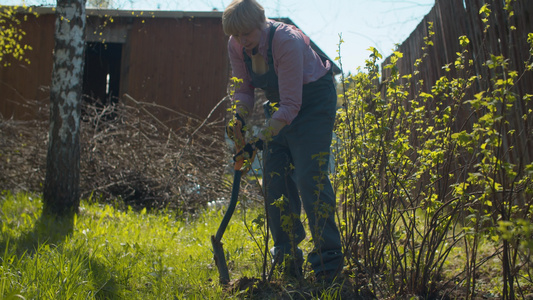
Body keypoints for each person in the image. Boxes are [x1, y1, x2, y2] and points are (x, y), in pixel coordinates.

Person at [222, 0, 343, 283]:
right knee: (275, 178)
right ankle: (287, 258)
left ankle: (329, 263)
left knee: (309, 176)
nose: (242, 41)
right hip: (280, 104)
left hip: (313, 101)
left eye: (247, 34)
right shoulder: (236, 44)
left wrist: (259, 140)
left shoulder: (285, 41)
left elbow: (291, 104)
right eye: (236, 35)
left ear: (262, 22)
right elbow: (243, 89)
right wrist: (238, 118)